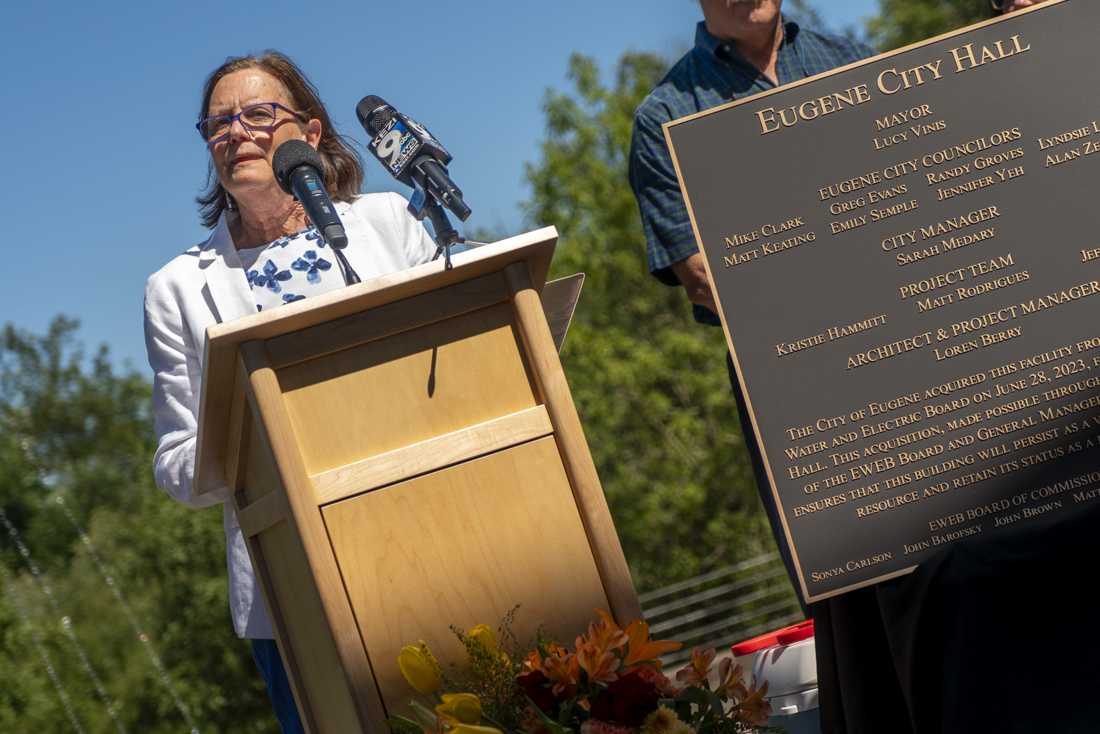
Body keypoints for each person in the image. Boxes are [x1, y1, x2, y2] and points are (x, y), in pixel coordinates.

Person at [142, 51, 436, 733]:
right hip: (292, 590)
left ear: (308, 129)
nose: (234, 133)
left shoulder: (387, 223)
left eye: (256, 114)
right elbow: (174, 462)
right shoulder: (178, 289)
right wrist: (244, 430)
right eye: (217, 124)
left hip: (431, 530)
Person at [628, 0, 874, 606]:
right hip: (798, 391)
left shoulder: (855, 64)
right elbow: (706, 278)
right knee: (856, 583)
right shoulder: (665, 116)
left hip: (916, 352)